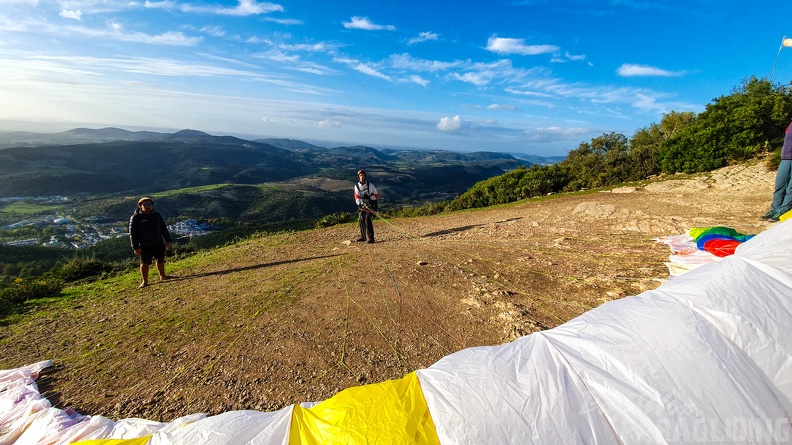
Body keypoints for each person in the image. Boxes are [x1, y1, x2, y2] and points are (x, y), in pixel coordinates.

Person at [129, 197, 173, 288]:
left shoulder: (157, 215)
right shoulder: (135, 218)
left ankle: (163, 276)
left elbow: (164, 229)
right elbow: (133, 234)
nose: (148, 206)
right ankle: (144, 281)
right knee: (144, 263)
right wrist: (135, 247)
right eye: (145, 205)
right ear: (140, 206)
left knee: (160, 260)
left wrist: (168, 241)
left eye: (150, 204)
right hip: (144, 245)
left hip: (158, 243)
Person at [761, 119, 792, 222]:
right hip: (786, 158)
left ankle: (783, 210)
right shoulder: (790, 125)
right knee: (780, 184)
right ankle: (774, 209)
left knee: (790, 188)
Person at [354, 169, 379, 243]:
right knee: (361, 220)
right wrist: (361, 203)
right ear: (358, 177)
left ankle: (370, 238)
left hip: (370, 205)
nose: (362, 177)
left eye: (363, 175)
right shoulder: (356, 186)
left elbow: (376, 195)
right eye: (360, 176)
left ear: (365, 176)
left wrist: (370, 199)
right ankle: (363, 237)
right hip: (361, 206)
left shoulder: (370, 185)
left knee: (368, 220)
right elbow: (356, 197)